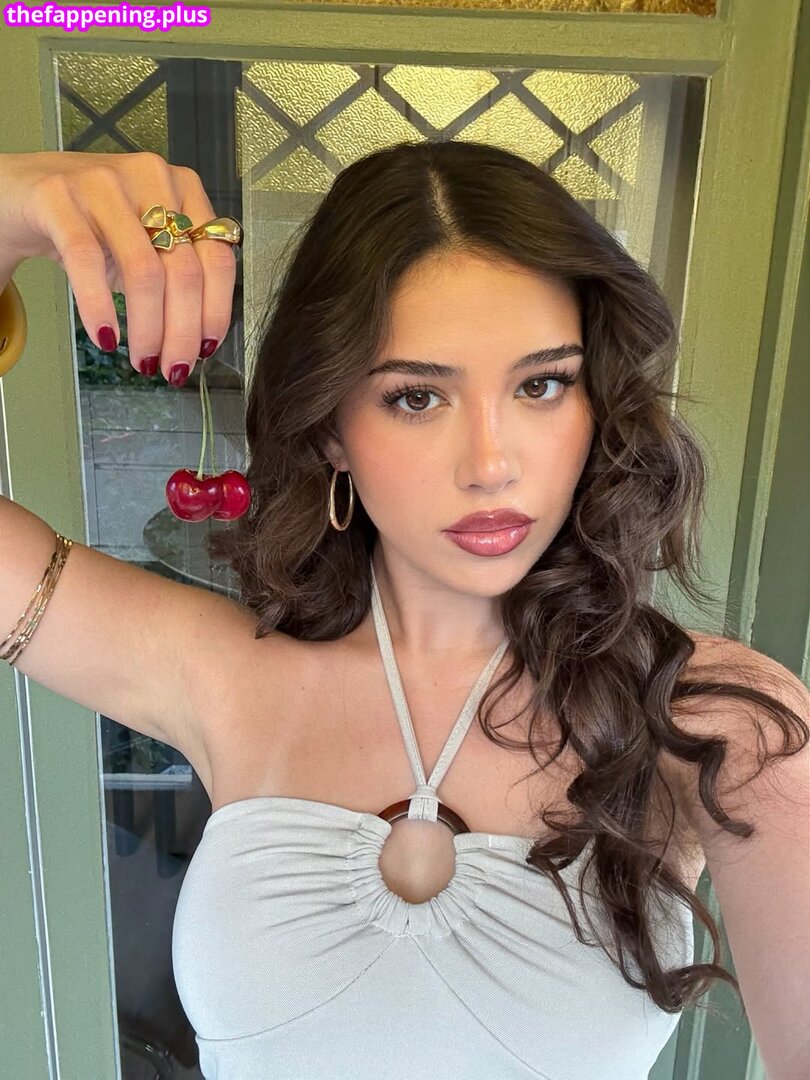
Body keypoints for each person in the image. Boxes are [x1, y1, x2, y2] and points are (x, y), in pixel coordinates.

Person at [0, 143, 807, 1080]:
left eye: (542, 384)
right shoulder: (220, 675)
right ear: (331, 429)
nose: (491, 463)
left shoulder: (710, 717)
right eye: (416, 397)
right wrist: (8, 200)